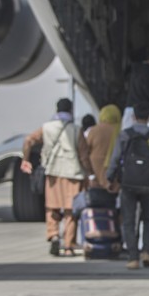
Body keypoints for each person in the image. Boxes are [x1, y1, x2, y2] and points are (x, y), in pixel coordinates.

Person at [21, 98, 90, 257]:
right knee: (70, 211)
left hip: (52, 173)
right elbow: (84, 155)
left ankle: (53, 235)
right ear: (71, 110)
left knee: (52, 207)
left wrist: (25, 160)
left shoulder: (46, 128)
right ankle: (68, 245)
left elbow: (28, 140)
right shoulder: (76, 129)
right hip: (72, 174)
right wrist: (89, 173)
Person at [107, 102, 149, 269]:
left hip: (128, 183)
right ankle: (146, 251)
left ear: (133, 117)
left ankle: (133, 257)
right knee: (148, 218)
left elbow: (115, 159)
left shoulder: (125, 136)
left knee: (128, 220)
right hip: (148, 184)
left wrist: (110, 177)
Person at [84, 105, 121, 190]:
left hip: (95, 171)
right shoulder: (119, 131)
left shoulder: (94, 130)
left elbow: (86, 151)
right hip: (113, 174)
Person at [123, 47, 149, 129]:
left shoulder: (135, 70)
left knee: (127, 134)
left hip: (130, 108)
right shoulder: (148, 71)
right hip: (143, 111)